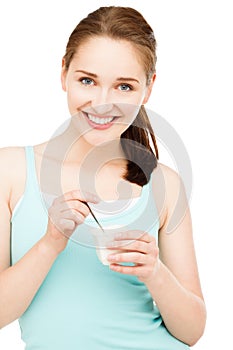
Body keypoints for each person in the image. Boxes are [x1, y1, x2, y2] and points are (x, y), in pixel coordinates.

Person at [0, 6, 206, 350]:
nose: (102, 102)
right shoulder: (11, 170)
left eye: (124, 86)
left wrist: (155, 272)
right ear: (63, 73)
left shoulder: (165, 185)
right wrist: (51, 242)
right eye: (87, 80)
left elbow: (192, 331)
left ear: (148, 88)